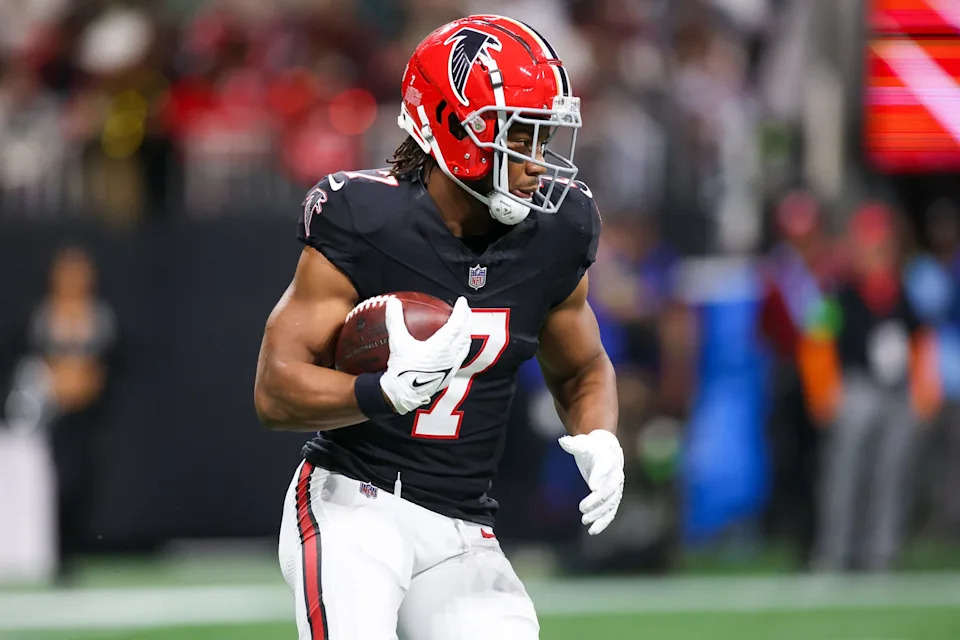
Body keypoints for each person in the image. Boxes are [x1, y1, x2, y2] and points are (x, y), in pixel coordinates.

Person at [254, 15, 624, 640]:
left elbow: (583, 366)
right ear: (455, 128)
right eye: (520, 137)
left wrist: (600, 436)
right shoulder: (365, 218)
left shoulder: (557, 233)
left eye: (543, 138)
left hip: (463, 524)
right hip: (353, 503)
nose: (537, 163)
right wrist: (381, 392)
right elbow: (275, 390)